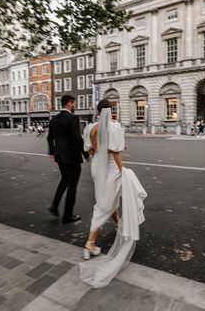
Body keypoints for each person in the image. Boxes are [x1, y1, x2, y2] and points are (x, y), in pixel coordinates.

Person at [80, 99, 147, 288]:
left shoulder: (90, 127)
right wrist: (122, 170)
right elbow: (116, 152)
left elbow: (90, 149)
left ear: (98, 111)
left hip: (96, 166)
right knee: (104, 204)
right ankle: (90, 243)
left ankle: (117, 223)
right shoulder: (114, 127)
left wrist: (107, 151)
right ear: (110, 111)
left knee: (106, 199)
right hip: (110, 168)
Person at [47, 95, 89, 223]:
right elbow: (77, 138)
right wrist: (86, 154)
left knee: (64, 179)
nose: (75, 106)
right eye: (74, 103)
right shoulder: (73, 118)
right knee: (72, 185)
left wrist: (52, 153)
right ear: (70, 104)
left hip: (60, 156)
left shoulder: (54, 119)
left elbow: (50, 138)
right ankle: (68, 215)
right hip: (72, 156)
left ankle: (54, 205)